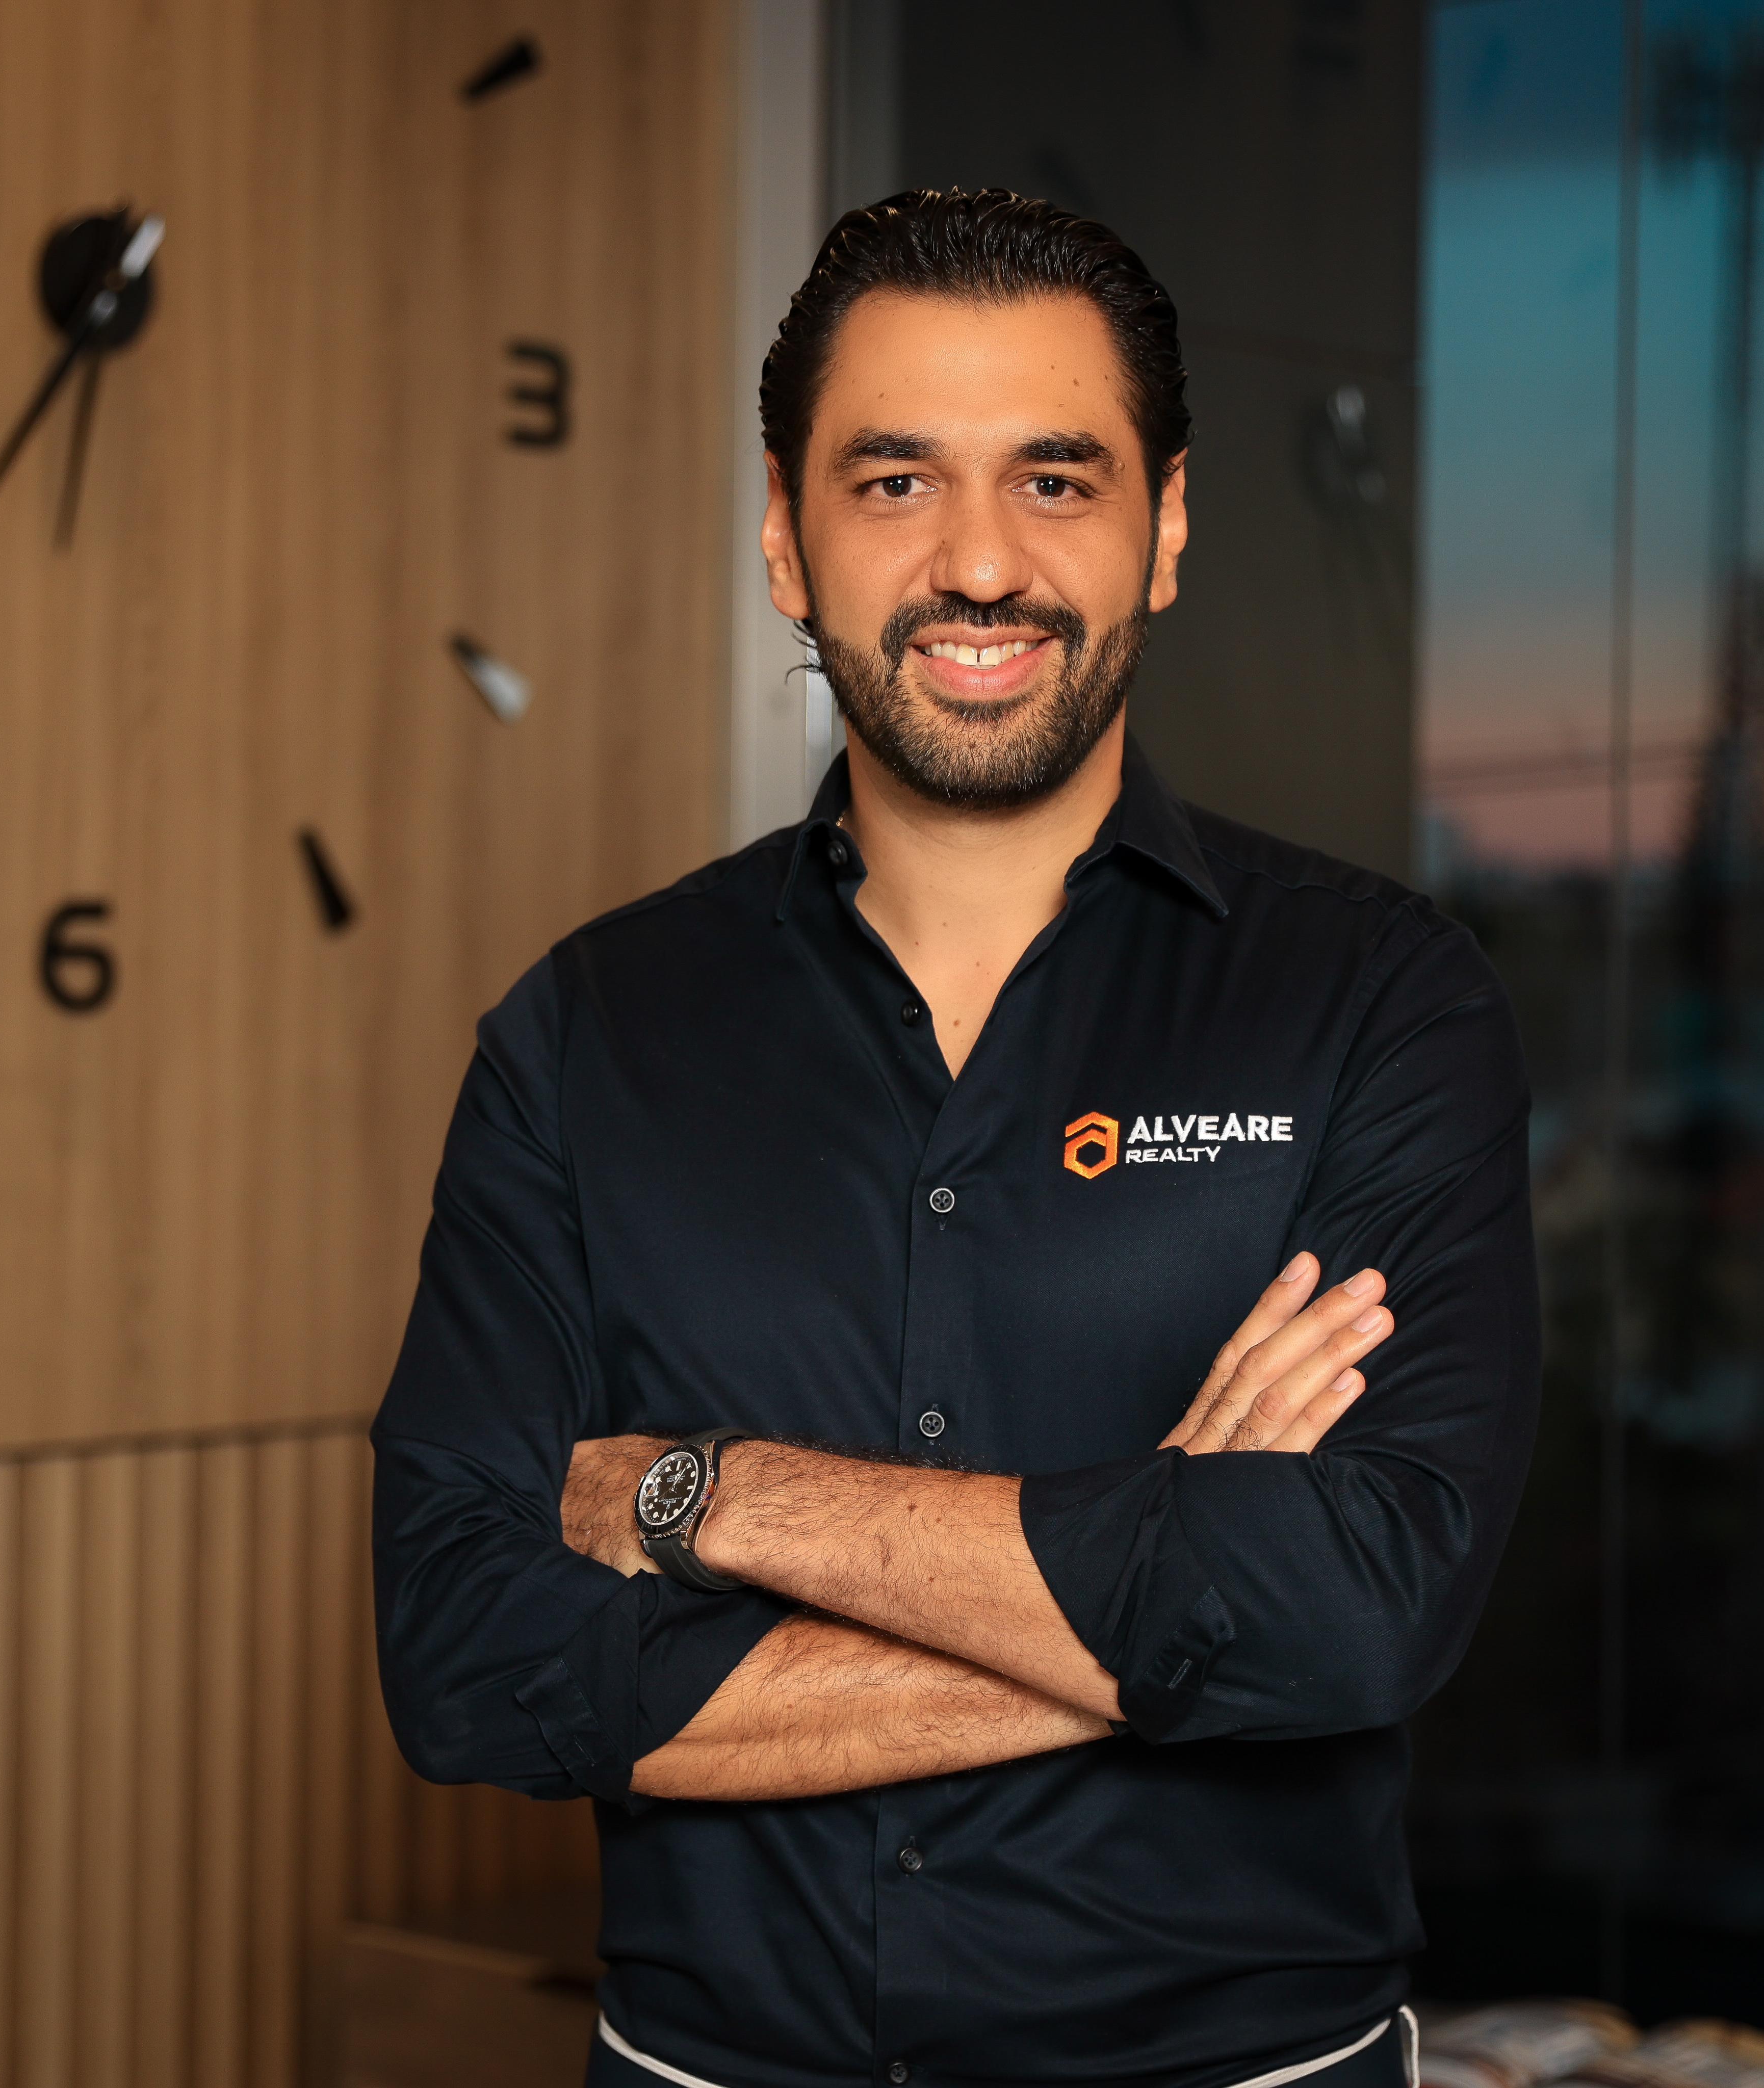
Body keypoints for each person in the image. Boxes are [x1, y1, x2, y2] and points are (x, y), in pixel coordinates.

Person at [371, 188, 1539, 2088]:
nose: (978, 564)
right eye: (897, 481)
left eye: (1057, 483)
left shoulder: (1379, 1003)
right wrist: (1162, 1572)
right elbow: (470, 1656)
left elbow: (1355, 1605)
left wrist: (709, 1496)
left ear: (1164, 531)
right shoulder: (586, 1033)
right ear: (785, 534)